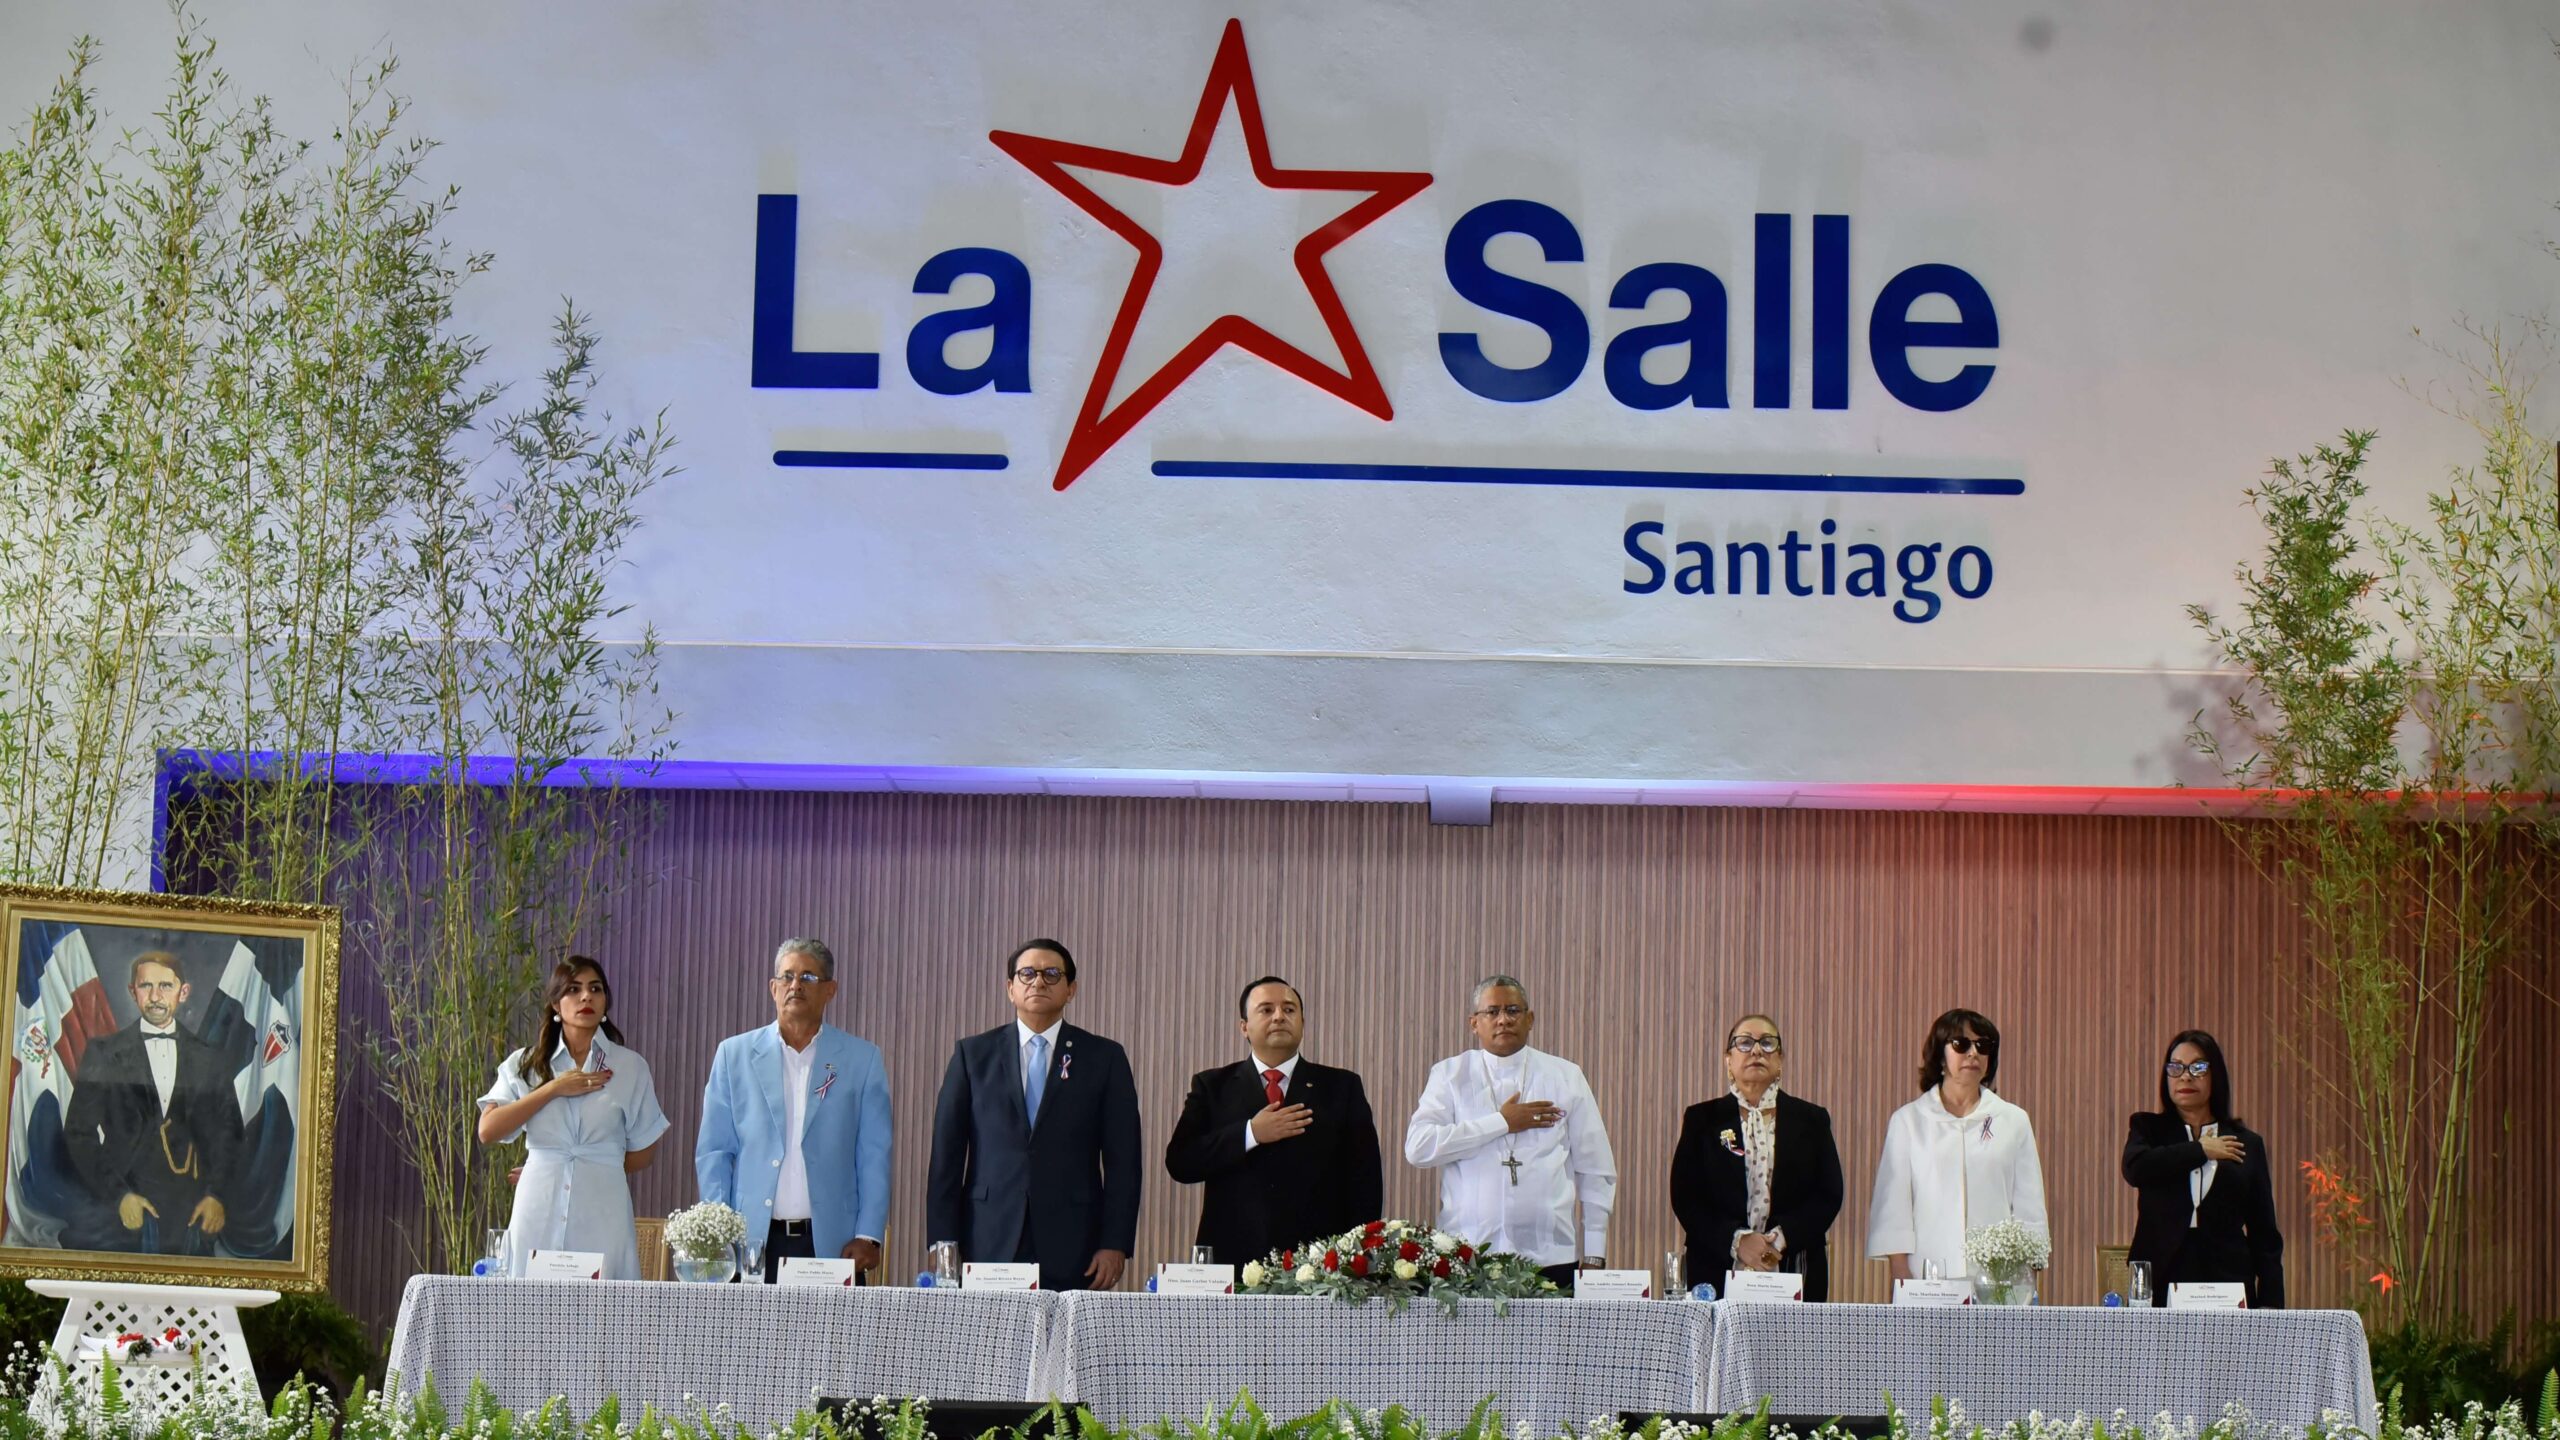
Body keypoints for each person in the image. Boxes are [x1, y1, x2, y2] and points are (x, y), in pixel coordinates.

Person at [927, 938, 1142, 1290]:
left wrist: (1114, 1242)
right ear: (1010, 988)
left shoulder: (1104, 1057)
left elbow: (1124, 1161)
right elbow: (945, 1157)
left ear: (1071, 990)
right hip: (987, 1236)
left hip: (1076, 1240)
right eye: (1027, 974)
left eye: (1051, 974)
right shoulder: (973, 1055)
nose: (1038, 982)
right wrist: (943, 1240)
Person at [698, 937, 893, 1282]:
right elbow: (715, 1151)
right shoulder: (733, 1055)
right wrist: (718, 1230)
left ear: (830, 990)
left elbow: (874, 1155)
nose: (796, 985)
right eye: (787, 976)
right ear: (773, 988)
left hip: (832, 1244)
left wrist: (868, 1235)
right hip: (750, 1241)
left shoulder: (862, 1059)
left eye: (808, 977)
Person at [1403, 974, 1616, 1287]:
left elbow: (1595, 1168)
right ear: (1474, 1023)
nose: (1503, 1019)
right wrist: (1501, 1122)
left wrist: (1595, 1253)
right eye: (1492, 1012)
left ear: (1530, 1019)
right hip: (1467, 1255)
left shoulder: (1565, 1076)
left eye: (1513, 1010)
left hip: (1551, 1257)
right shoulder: (1450, 1075)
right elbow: (1419, 1148)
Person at [475, 956, 670, 1280]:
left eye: (595, 989)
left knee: (605, 1302)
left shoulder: (630, 1067)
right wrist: (553, 1089)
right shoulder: (525, 1064)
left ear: (605, 1001)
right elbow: (488, 1130)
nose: (585, 997)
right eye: (573, 989)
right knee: (530, 1301)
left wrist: (581, 1167)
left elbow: (644, 1152)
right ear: (555, 1004)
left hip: (604, 1205)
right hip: (538, 1203)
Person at [1166, 976, 1382, 1264]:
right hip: (1233, 1256)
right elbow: (1181, 1162)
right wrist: (1250, 1133)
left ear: (1302, 1022)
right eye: (1266, 1010)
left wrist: (1358, 1254)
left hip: (1319, 1262)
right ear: (1244, 1026)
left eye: (1289, 1009)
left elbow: (1365, 1179)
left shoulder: (1341, 1087)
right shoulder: (1212, 1086)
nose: (1279, 1016)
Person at [61, 952, 243, 1256]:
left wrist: (216, 1196)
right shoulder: (103, 1053)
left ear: (183, 992)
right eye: (146, 986)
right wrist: (120, 1197)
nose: (155, 997)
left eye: (165, 986)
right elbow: (79, 1133)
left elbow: (230, 1134)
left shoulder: (210, 1058)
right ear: (133, 992)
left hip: (193, 1211)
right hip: (121, 1206)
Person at [1668, 1011, 1845, 1300]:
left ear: (1780, 1060)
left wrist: (1779, 1240)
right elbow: (1686, 1197)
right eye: (1745, 1042)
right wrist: (1738, 1241)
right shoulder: (1702, 1119)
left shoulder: (1812, 1120)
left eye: (1767, 1043)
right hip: (1716, 1267)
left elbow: (1828, 1194)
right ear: (1728, 1060)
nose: (1756, 1051)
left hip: (1793, 1264)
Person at [1865, 1007, 2049, 1285]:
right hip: (1926, 1276)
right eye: (1961, 1044)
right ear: (1940, 1055)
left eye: (1982, 1046)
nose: (1973, 1053)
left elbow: (2029, 1207)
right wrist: (1901, 1276)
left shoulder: (2014, 1120)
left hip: (1999, 1281)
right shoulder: (1908, 1121)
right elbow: (1893, 1208)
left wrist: (2027, 1281)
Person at [2123, 1029, 2284, 1307]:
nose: (2185, 1076)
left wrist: (2271, 1307)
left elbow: (2264, 1234)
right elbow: (2135, 1169)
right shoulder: (2148, 1129)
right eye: (2176, 1067)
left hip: (2229, 1286)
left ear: (2216, 1075)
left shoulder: (2247, 1143)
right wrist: (2201, 1150)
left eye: (2198, 1068)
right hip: (2159, 1282)